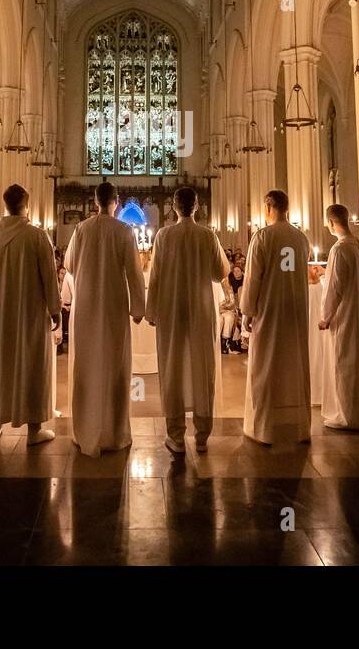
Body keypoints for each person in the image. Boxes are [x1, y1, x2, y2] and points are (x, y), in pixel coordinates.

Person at [63, 181, 146, 457]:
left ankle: (85, 431)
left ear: (94, 201)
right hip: (112, 305)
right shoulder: (123, 231)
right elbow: (135, 272)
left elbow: (70, 265)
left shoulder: (81, 229)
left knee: (86, 365)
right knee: (114, 365)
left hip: (86, 305)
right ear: (117, 201)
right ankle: (114, 433)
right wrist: (138, 309)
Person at [145, 185, 230, 454]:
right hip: (201, 310)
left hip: (171, 310)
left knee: (173, 367)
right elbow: (219, 273)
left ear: (172, 206)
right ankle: (202, 435)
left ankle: (176, 435)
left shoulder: (164, 236)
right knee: (202, 366)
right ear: (197, 207)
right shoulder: (207, 235)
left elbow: (155, 275)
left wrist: (151, 311)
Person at [0, 184, 62, 445]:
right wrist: (55, 309)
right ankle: (34, 429)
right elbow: (50, 277)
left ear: (6, 205)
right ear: (27, 204)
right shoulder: (37, 237)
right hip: (29, 315)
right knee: (33, 365)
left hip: (0, 315)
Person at [239, 189, 312, 445]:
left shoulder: (263, 237)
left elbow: (253, 279)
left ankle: (264, 428)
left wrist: (246, 312)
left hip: (270, 312)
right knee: (294, 365)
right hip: (295, 311)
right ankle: (298, 425)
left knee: (266, 366)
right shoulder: (301, 239)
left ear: (268, 206)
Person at [316, 204, 359, 430]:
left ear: (332, 223)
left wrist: (326, 316)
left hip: (347, 313)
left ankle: (349, 416)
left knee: (346, 362)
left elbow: (336, 286)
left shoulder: (339, 248)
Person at [57, 265, 74, 356]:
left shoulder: (68, 280)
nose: (62, 275)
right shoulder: (58, 284)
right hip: (61, 306)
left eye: (64, 273)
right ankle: (59, 347)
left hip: (67, 306)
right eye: (61, 273)